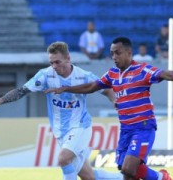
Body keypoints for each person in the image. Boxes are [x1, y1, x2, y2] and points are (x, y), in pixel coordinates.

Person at [0, 41, 123, 180]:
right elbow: (22, 91)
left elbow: (107, 90)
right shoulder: (45, 75)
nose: (54, 66)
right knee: (89, 177)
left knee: (63, 159)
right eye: (51, 63)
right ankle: (124, 177)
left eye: (57, 62)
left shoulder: (83, 76)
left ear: (68, 58)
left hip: (80, 126)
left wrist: (114, 101)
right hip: (60, 131)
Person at [46, 37, 173, 180]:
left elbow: (166, 74)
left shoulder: (142, 70)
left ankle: (162, 177)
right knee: (126, 174)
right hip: (125, 130)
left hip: (142, 128)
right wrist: (67, 88)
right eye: (112, 53)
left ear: (129, 53)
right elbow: (92, 86)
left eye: (118, 53)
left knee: (128, 168)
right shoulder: (112, 74)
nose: (114, 57)